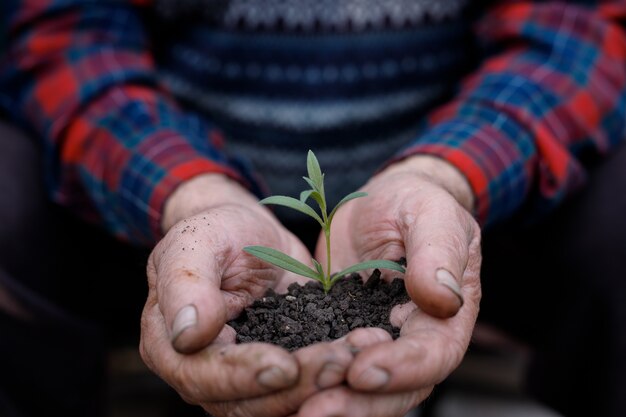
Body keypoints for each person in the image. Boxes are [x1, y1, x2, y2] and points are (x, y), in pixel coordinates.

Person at [0, 1, 625, 416]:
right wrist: (191, 192)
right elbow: (67, 37)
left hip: (473, 206)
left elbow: (575, 35)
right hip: (146, 208)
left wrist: (446, 175)